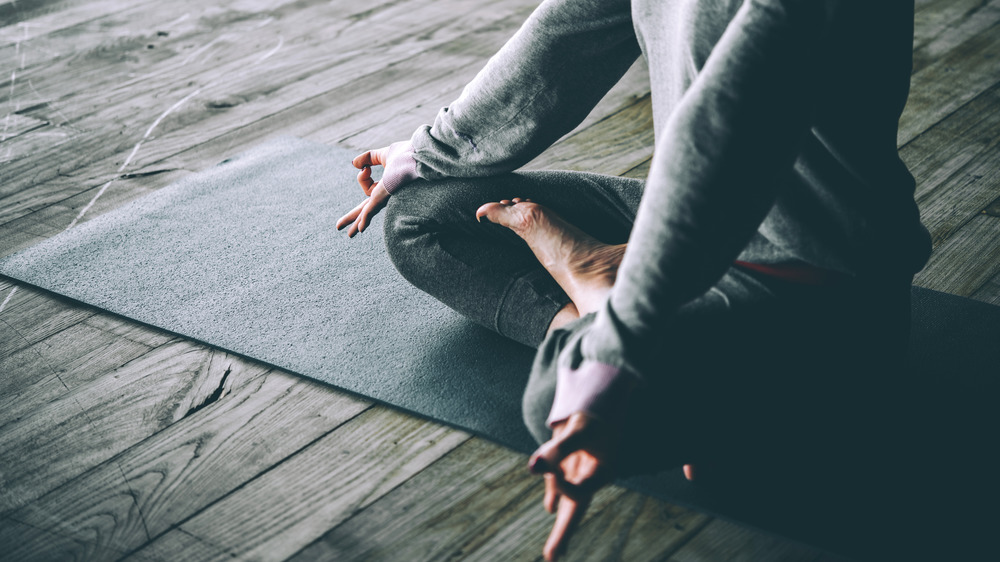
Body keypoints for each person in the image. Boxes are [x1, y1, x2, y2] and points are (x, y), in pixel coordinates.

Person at [336, 0, 932, 559]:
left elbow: (725, 133)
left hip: (812, 284)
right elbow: (561, 43)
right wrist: (426, 153)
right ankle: (607, 303)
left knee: (556, 401)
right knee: (422, 216)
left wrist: (613, 357)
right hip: (676, 214)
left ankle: (596, 288)